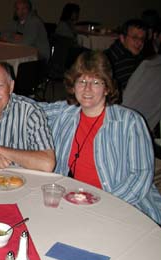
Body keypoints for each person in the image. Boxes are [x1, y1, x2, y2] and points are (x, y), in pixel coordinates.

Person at [38, 50, 161, 224]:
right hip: (75, 203)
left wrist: (103, 203)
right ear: (73, 86)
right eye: (81, 81)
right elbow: (30, 109)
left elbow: (140, 176)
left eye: (96, 82)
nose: (87, 89)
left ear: (107, 87)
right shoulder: (65, 113)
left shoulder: (129, 122)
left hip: (125, 206)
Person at [105, 19, 147, 92]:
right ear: (122, 38)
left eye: (142, 39)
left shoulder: (134, 55)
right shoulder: (118, 59)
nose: (139, 42)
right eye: (135, 37)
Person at [122, 54, 161, 133]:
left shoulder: (149, 65)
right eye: (135, 40)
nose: (139, 43)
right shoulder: (149, 66)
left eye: (142, 40)